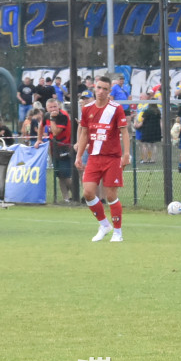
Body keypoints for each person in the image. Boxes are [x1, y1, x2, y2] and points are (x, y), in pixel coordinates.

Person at [74, 76, 129, 243]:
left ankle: (118, 232)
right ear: (94, 89)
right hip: (94, 158)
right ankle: (104, 225)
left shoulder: (116, 108)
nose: (101, 91)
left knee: (111, 195)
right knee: (88, 192)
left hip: (112, 158)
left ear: (109, 91)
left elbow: (124, 132)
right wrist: (78, 155)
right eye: (99, 88)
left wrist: (126, 154)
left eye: (105, 89)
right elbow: (84, 133)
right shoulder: (87, 109)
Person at [37, 98, 73, 202]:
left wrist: (52, 119)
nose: (53, 109)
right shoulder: (47, 115)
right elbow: (41, 126)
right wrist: (39, 139)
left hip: (65, 147)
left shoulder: (63, 116)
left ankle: (75, 195)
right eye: (51, 107)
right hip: (54, 148)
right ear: (46, 108)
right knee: (59, 175)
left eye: (55, 107)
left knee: (66, 175)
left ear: (59, 106)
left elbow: (56, 132)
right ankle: (66, 198)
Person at [135, 95, 162, 164]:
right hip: (156, 130)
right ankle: (153, 159)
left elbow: (143, 121)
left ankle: (145, 160)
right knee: (154, 145)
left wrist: (137, 126)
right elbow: (160, 122)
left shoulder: (147, 111)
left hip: (147, 130)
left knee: (145, 144)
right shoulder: (158, 111)